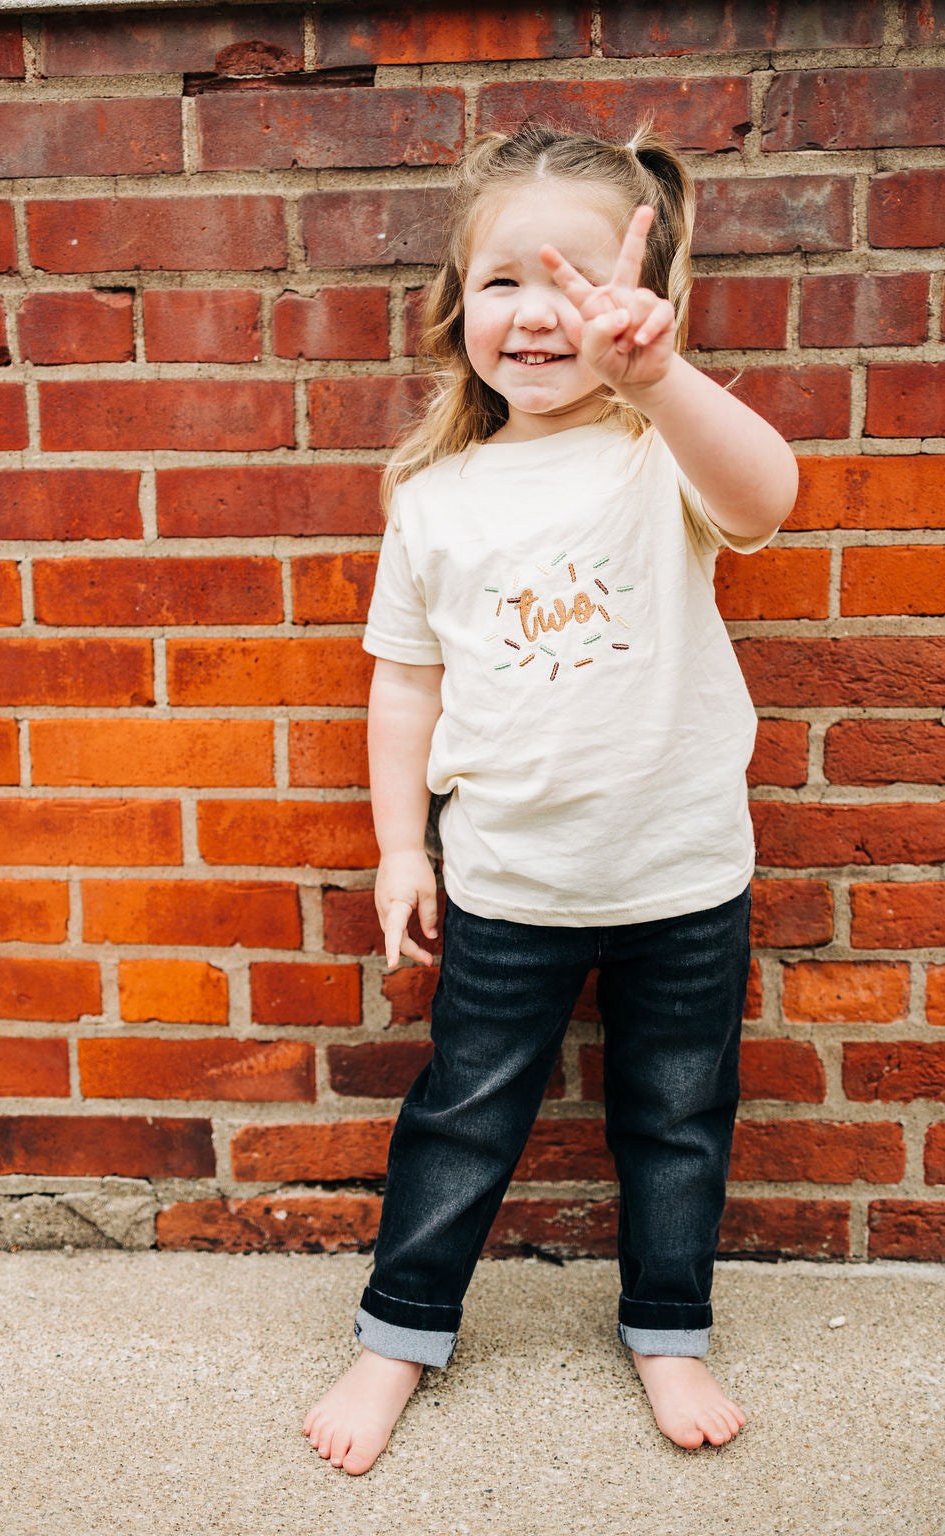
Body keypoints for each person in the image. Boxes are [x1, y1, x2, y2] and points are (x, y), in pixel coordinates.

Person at [303, 121, 798, 1474]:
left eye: (574, 283)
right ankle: (400, 1331)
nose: (536, 316)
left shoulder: (661, 452)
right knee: (464, 1113)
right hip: (509, 879)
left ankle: (668, 1322)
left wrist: (667, 376)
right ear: (460, 305)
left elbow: (767, 500)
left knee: (679, 1113)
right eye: (504, 282)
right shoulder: (434, 496)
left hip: (681, 872)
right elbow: (404, 685)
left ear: (641, 304)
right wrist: (404, 847)